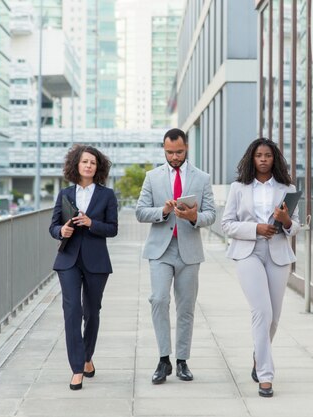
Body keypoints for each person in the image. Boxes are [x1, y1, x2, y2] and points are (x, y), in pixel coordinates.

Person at [136, 128, 216, 384]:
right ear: (164, 149)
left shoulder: (202, 178)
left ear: (186, 148)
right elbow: (139, 212)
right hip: (160, 250)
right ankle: (163, 359)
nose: (174, 157)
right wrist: (162, 210)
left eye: (179, 152)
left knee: (186, 308)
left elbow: (211, 215)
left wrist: (194, 217)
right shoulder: (152, 177)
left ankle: (182, 361)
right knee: (159, 300)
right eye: (169, 152)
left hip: (189, 251)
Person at [221, 138, 300, 398]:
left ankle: (258, 354)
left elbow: (295, 227)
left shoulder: (288, 188)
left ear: (274, 159)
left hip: (278, 253)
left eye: (268, 155)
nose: (263, 159)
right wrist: (255, 228)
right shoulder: (238, 188)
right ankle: (265, 376)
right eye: (259, 155)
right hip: (248, 253)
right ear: (252, 159)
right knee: (262, 311)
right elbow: (227, 224)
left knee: (274, 317)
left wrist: (286, 220)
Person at [49, 144, 118, 390]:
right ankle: (77, 368)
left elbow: (113, 229)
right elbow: (53, 226)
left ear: (98, 167)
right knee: (72, 311)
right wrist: (62, 231)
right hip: (68, 259)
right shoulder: (65, 193)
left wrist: (91, 223)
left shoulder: (107, 195)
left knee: (92, 312)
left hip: (96, 261)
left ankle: (87, 357)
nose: (88, 165)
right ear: (76, 165)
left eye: (93, 162)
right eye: (84, 161)